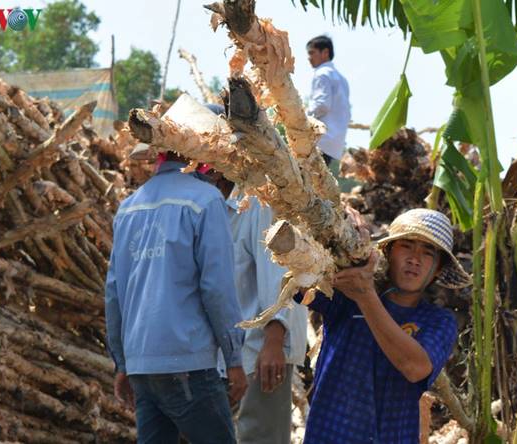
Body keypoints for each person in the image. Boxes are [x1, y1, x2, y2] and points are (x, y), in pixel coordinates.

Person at [105, 95, 247, 444]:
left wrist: (123, 363)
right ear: (206, 153)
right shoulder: (206, 201)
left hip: (143, 367)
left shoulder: (128, 208)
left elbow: (114, 294)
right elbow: (216, 289)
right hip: (188, 366)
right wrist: (234, 359)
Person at [296, 208, 471, 443]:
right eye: (406, 245)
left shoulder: (439, 321)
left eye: (427, 253)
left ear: (437, 269)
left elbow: (414, 366)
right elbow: (299, 283)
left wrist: (366, 296)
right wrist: (335, 221)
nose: (414, 259)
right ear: (387, 252)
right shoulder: (346, 296)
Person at [200, 103, 308, 444]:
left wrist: (273, 342)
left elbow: (277, 275)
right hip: (222, 356)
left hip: (261, 354)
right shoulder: (207, 207)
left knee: (260, 437)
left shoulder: (257, 201)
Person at [306, 35, 351, 164]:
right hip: (333, 143)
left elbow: (322, 105)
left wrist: (301, 118)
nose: (309, 58)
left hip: (320, 140)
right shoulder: (341, 78)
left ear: (325, 52)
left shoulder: (322, 74)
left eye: (312, 53)